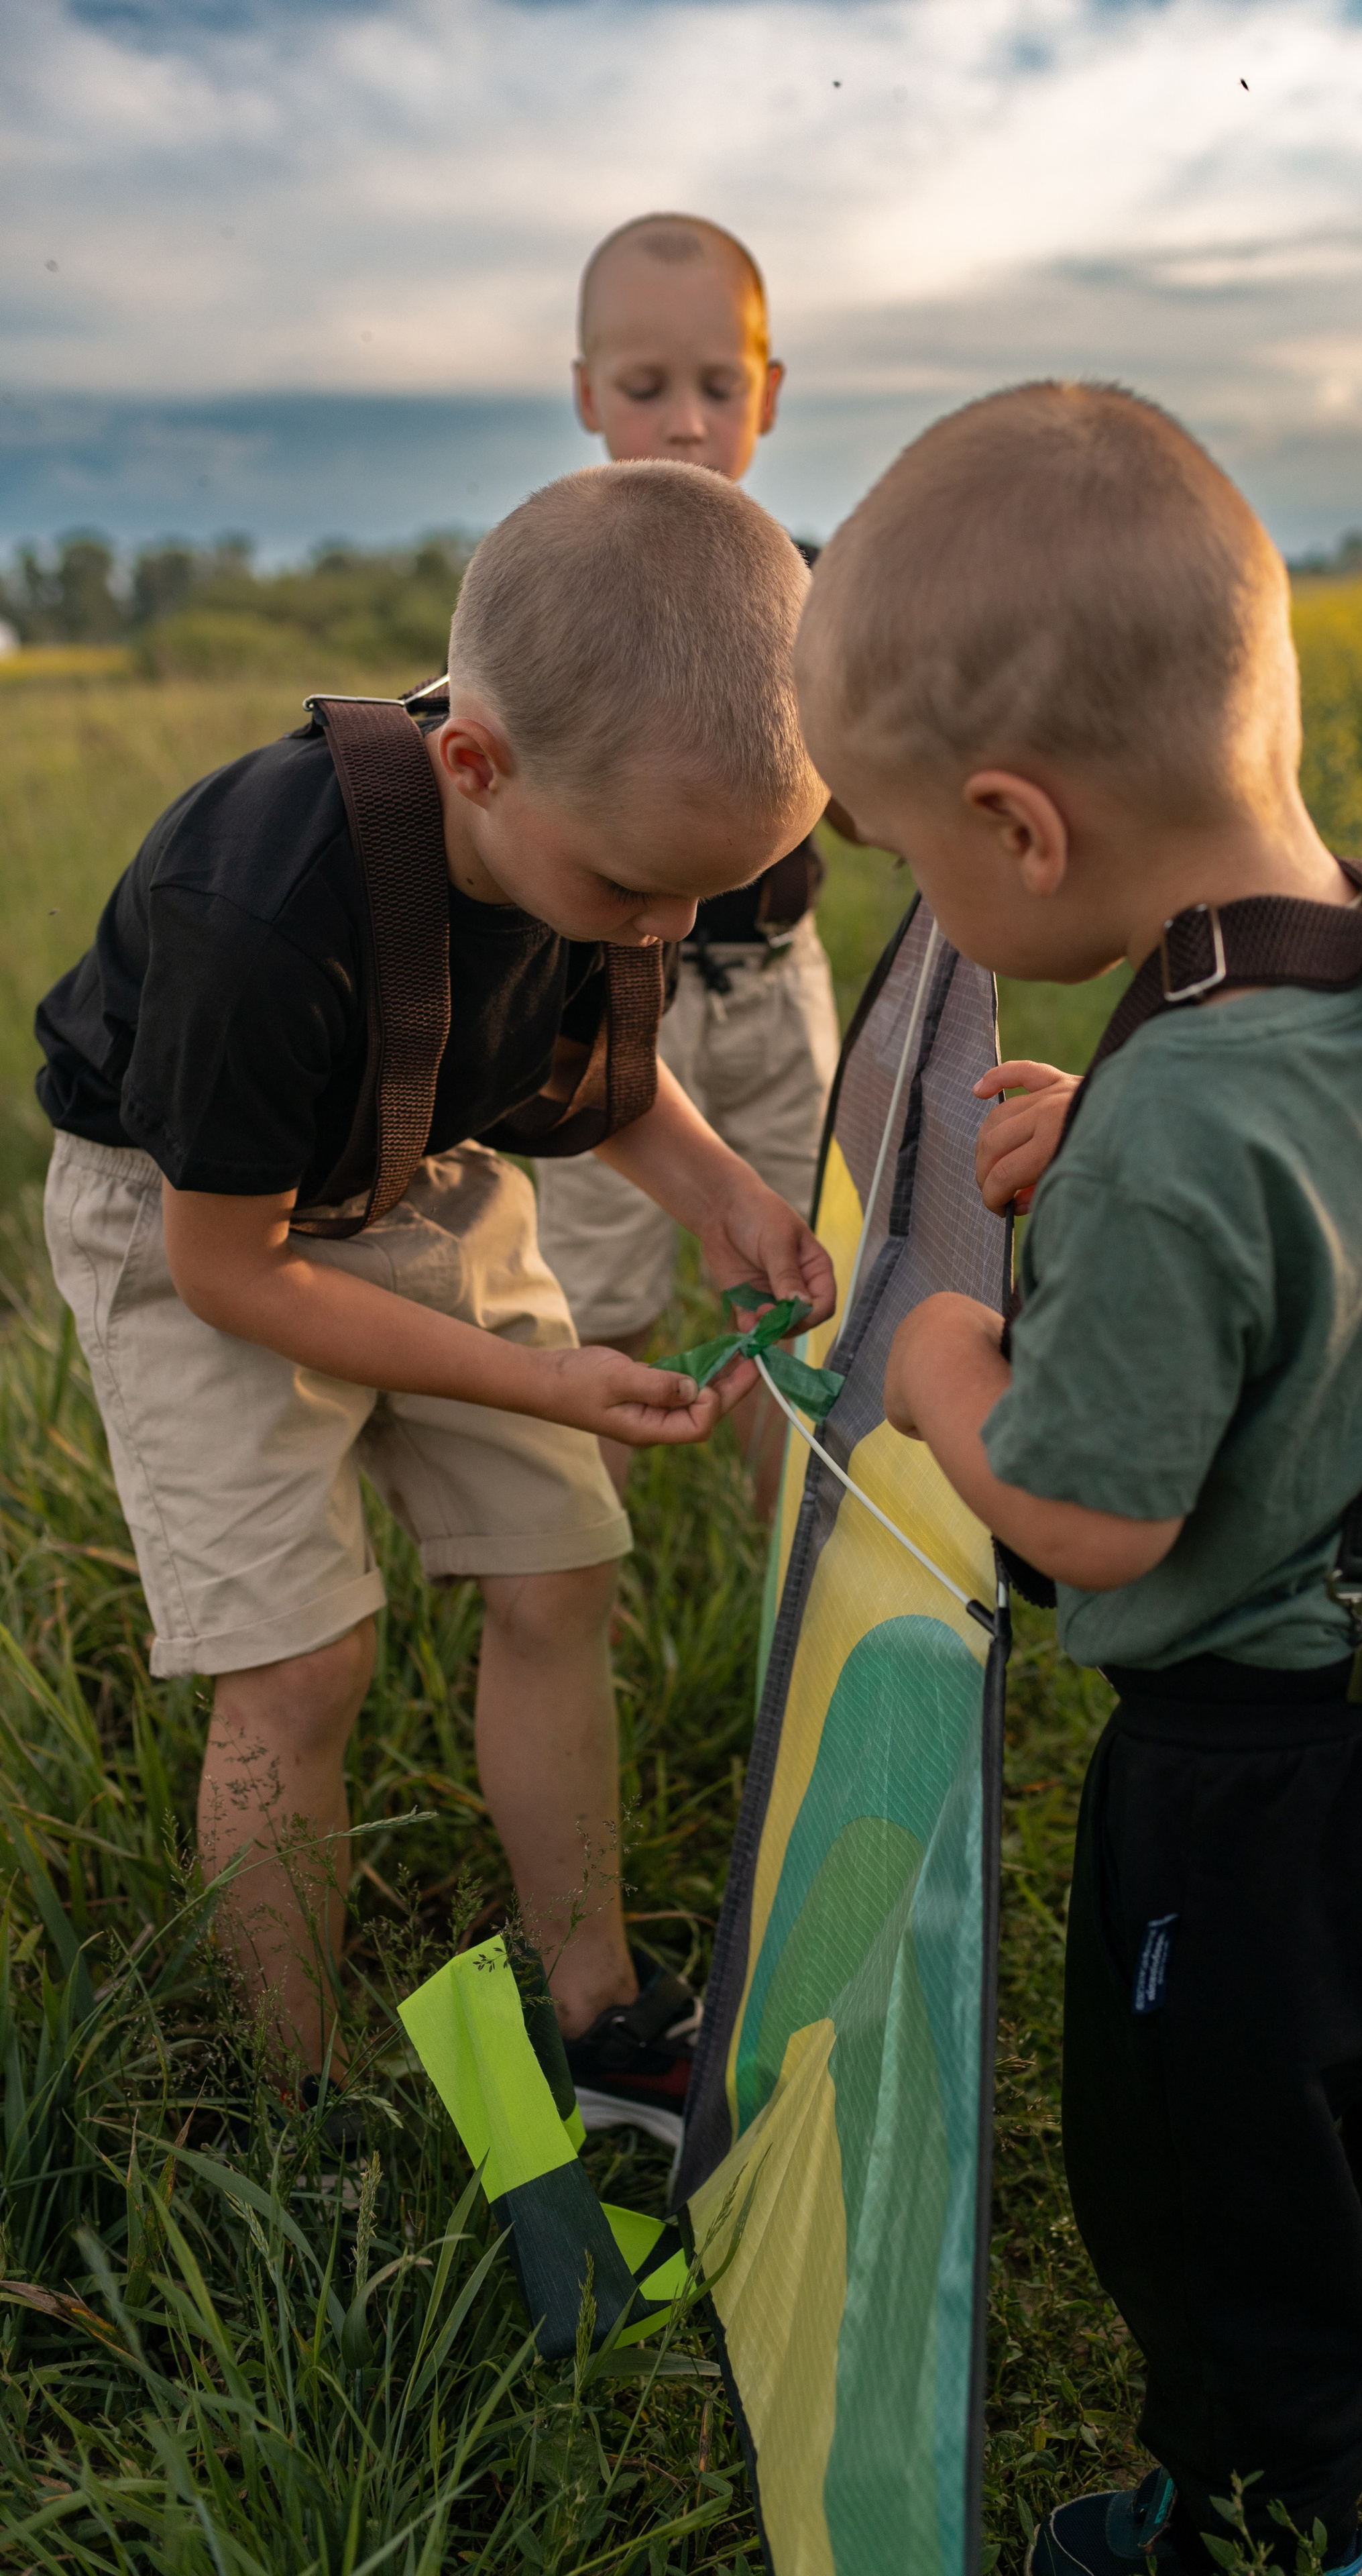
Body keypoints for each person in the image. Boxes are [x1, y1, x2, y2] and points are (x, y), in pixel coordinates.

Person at [793, 383, 1362, 2575]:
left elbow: (1094, 1517)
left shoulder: (1178, 1138)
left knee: (1208, 2164)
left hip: (1263, 1773)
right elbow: (1346, 1210)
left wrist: (948, 1365)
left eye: (916, 861)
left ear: (1018, 826)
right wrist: (1122, 1126)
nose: (930, 909)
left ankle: (1263, 2514)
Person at [36, 462, 832, 2146]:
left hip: (427, 1170)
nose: (670, 930)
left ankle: (600, 2008)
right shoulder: (256, 910)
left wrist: (731, 1200)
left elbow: (603, 1087)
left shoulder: (604, 838)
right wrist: (540, 1383)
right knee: (303, 1660)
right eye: (640, 896)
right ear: (472, 764)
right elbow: (227, 1270)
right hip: (197, 1226)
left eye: (700, 897)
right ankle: (300, 2093)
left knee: (559, 1564)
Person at [534, 211, 842, 1519]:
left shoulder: (813, 587)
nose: (682, 423)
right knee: (590, 1295)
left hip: (778, 989)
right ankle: (573, 1574)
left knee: (801, 1280)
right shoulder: (553, 589)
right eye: (646, 389)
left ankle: (798, 1571)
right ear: (588, 395)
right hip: (600, 999)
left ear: (765, 396)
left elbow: (874, 783)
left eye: (717, 390)